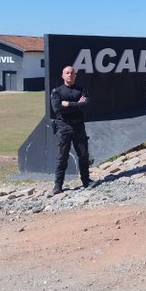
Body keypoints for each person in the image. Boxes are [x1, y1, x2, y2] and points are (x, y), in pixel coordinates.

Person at [49, 65, 93, 195]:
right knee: (62, 157)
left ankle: (86, 181)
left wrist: (68, 104)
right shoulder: (57, 92)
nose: (70, 75)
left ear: (75, 75)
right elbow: (57, 108)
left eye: (72, 73)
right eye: (67, 73)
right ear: (63, 75)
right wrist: (76, 105)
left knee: (83, 155)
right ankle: (58, 185)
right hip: (64, 127)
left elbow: (85, 104)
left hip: (79, 126)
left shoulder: (81, 90)